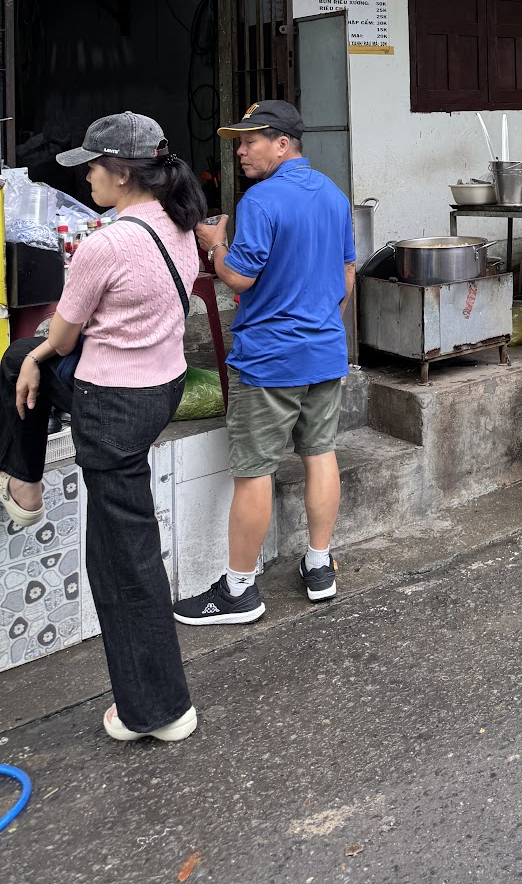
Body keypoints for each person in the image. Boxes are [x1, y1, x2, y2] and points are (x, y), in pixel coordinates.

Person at [0, 113, 204, 743]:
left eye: (91, 166)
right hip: (159, 389)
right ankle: (24, 482)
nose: (86, 176)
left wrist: (39, 355)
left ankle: (158, 710)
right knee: (15, 364)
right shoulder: (179, 223)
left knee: (123, 562)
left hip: (112, 406)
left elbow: (62, 334)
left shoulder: (106, 242)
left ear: (121, 171)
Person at [174, 101, 356, 626]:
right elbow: (347, 269)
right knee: (320, 454)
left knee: (254, 472)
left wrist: (215, 244)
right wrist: (324, 322)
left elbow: (238, 278)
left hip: (271, 360)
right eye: (239, 140)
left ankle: (239, 591)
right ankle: (319, 567)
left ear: (283, 144)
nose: (240, 149)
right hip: (325, 352)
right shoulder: (333, 193)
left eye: (250, 140)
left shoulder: (260, 201)